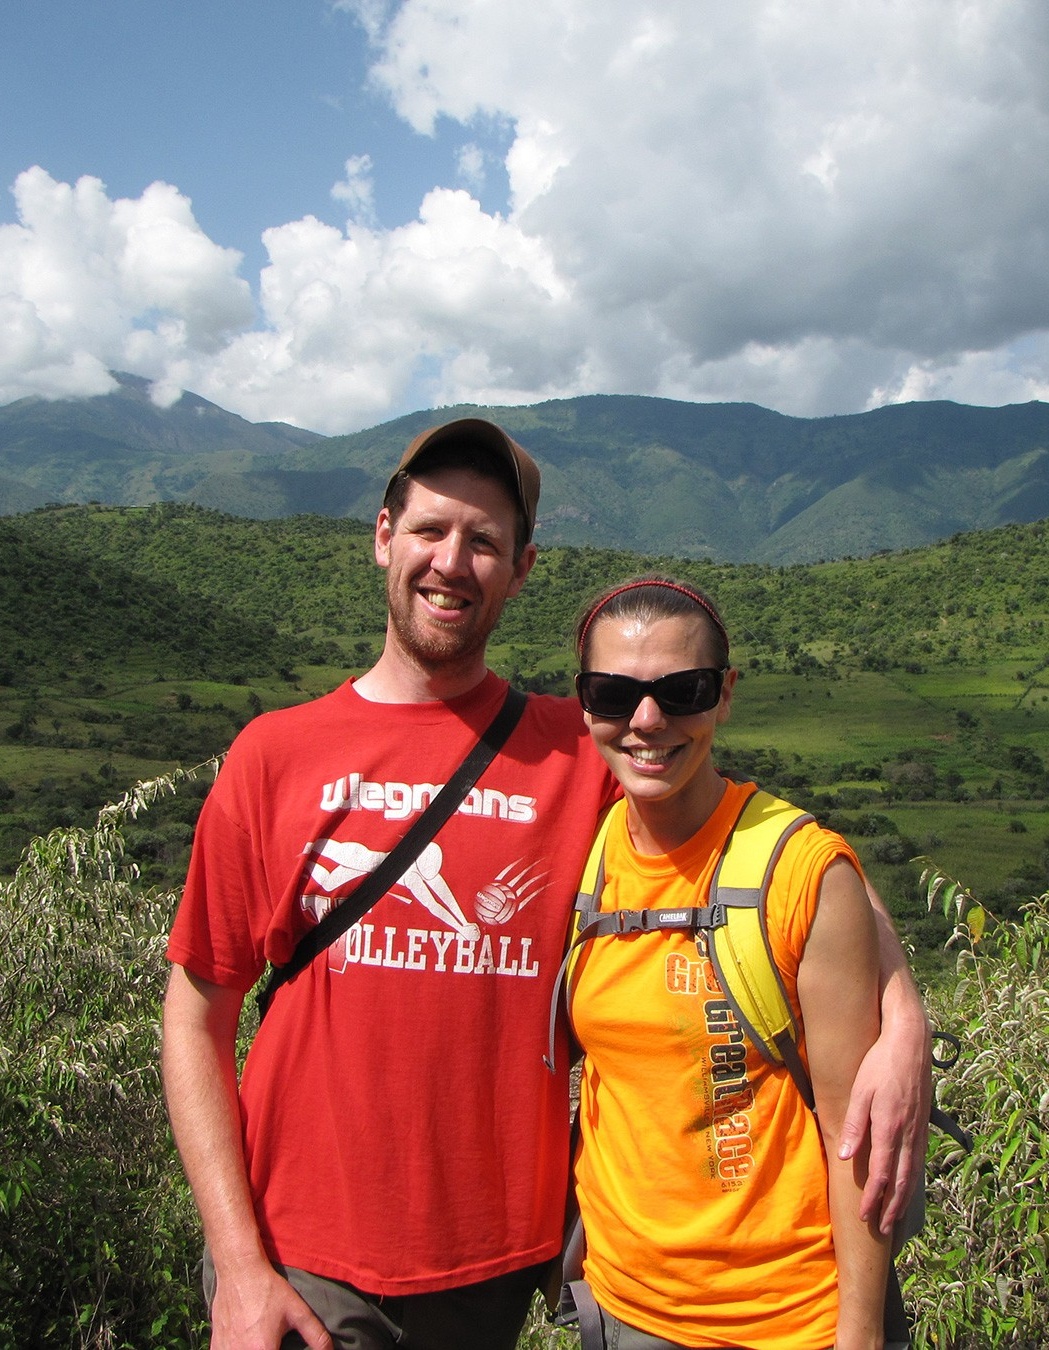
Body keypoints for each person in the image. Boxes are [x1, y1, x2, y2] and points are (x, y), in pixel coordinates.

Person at [161, 418, 929, 1350]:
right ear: (382, 537)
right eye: (430, 530)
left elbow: (776, 851)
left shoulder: (584, 741)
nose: (452, 562)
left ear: (521, 569)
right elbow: (195, 1017)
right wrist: (238, 1264)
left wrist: (900, 1008)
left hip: (495, 1270)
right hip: (301, 1257)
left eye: (484, 542)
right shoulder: (273, 756)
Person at [564, 575, 901, 1350]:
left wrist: (858, 1333)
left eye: (681, 691)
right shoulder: (578, 847)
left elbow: (852, 1138)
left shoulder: (799, 872)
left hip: (786, 1319)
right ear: (581, 704)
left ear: (724, 695)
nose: (646, 721)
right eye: (612, 694)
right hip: (619, 1306)